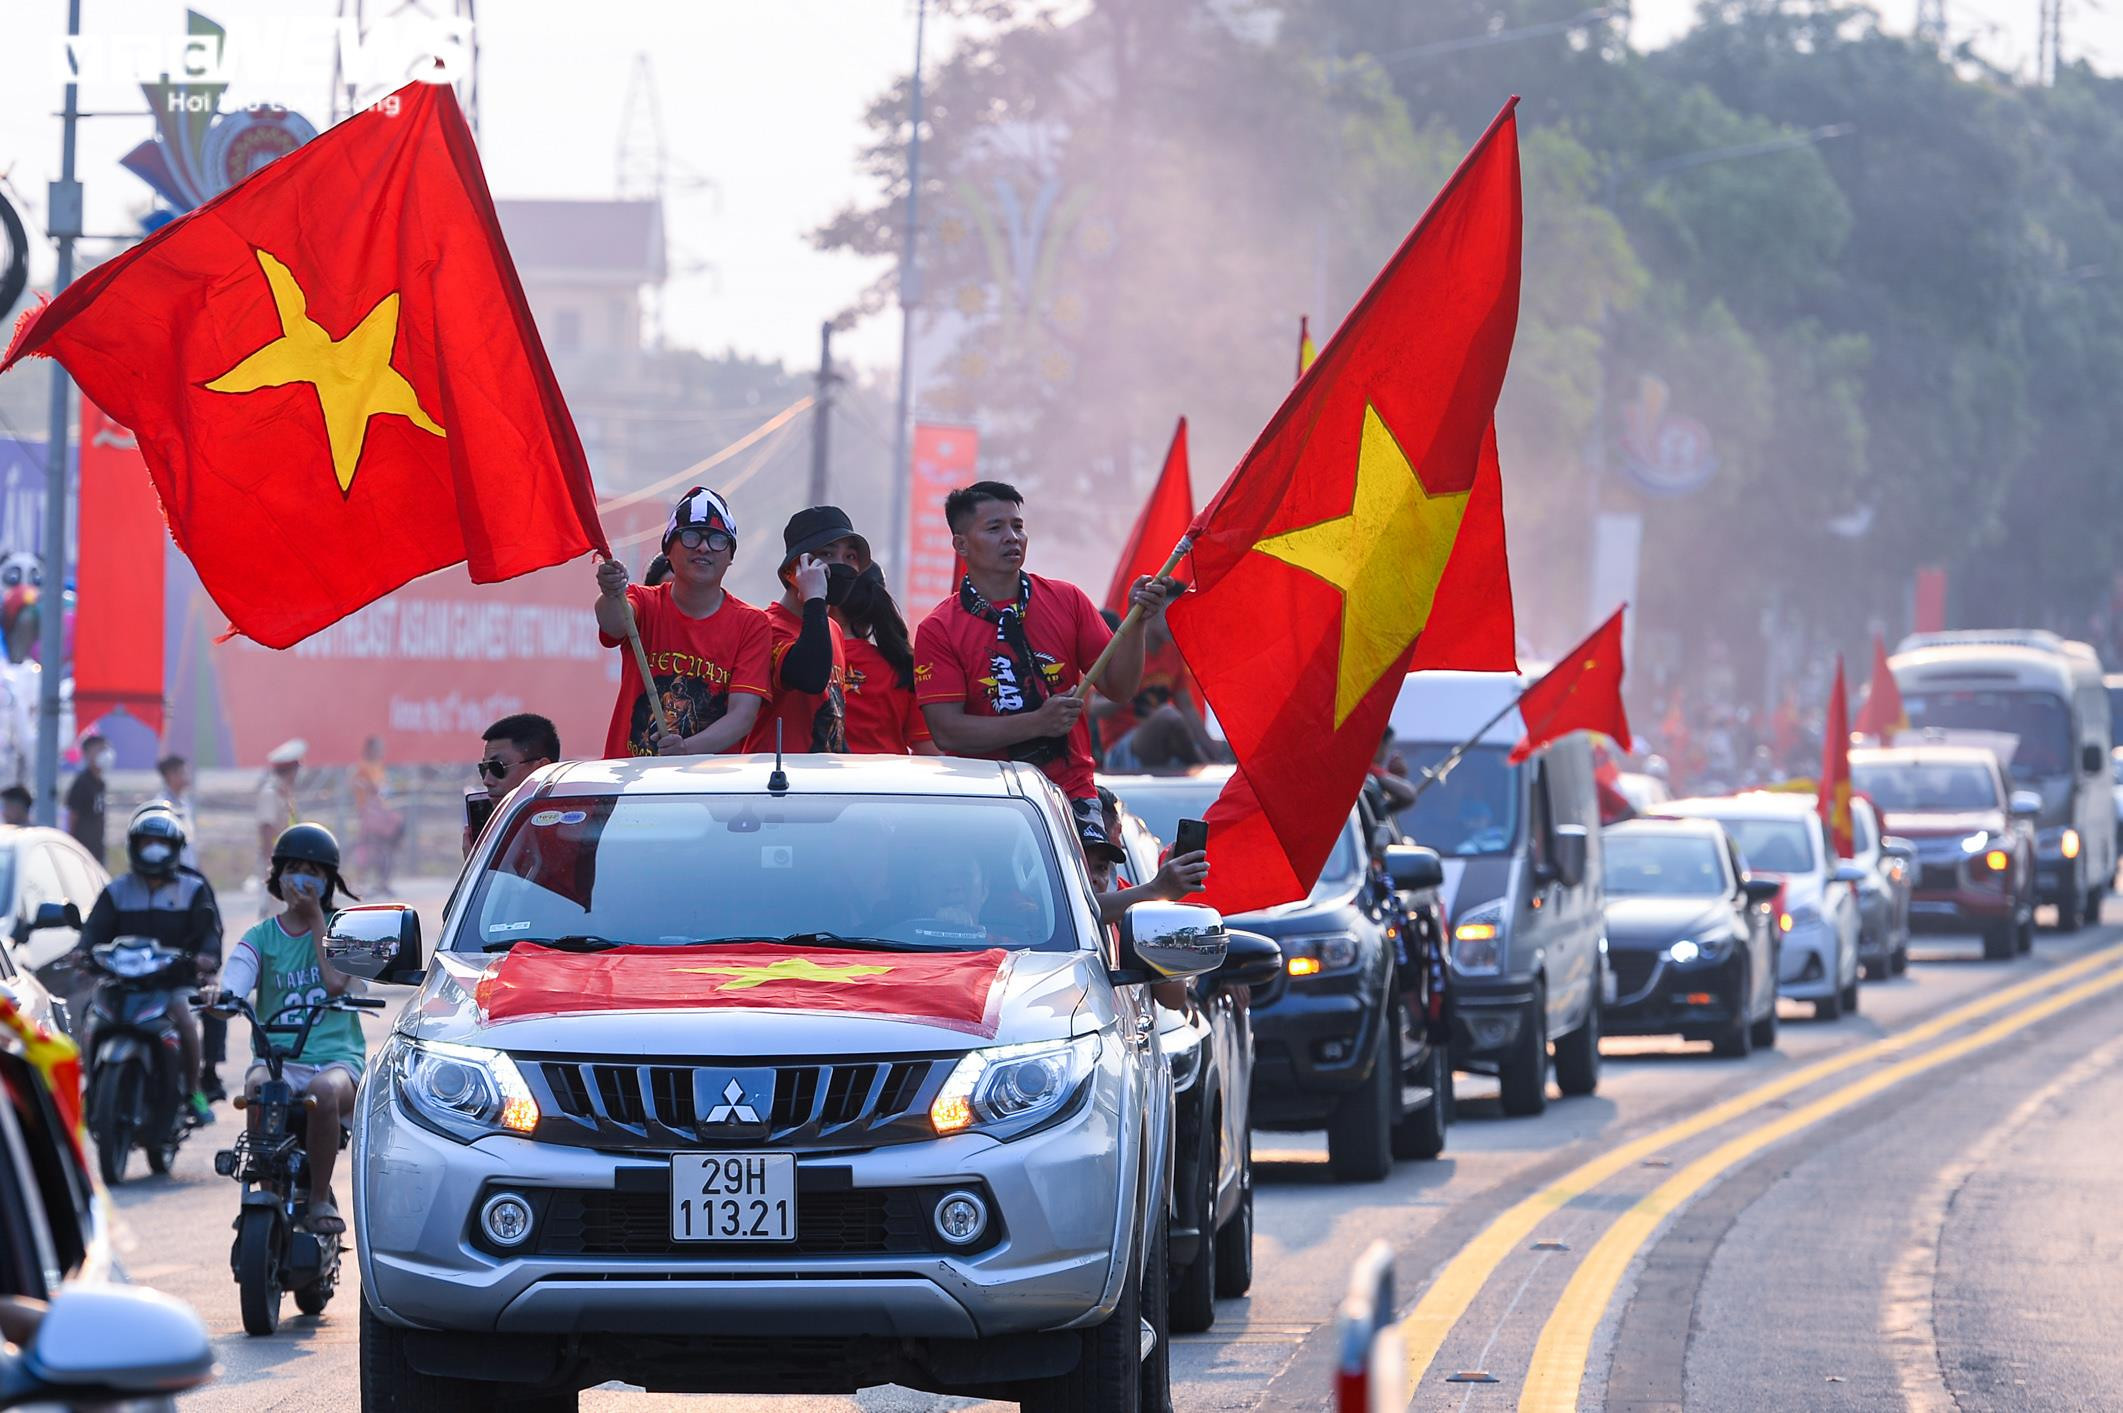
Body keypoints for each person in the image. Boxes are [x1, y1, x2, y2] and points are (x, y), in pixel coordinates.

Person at [914, 481, 1173, 844]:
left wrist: (1138, 621)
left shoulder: (1068, 600)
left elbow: (1120, 688)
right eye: (995, 528)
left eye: (1018, 526)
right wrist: (1038, 722)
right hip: (983, 797)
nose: (1012, 537)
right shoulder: (938, 628)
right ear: (961, 544)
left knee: (1087, 897)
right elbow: (947, 732)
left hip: (1070, 793)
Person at [216, 823, 362, 1235]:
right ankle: (266, 1192)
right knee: (259, 1086)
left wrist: (317, 918)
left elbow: (336, 982)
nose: (303, 878)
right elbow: (234, 987)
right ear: (278, 876)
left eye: (314, 871)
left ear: (328, 880)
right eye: (294, 868)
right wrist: (219, 996)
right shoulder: (260, 937)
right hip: (277, 1061)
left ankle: (318, 1198)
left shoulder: (342, 929)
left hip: (335, 1061)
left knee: (323, 1092)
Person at [595, 486, 772, 758]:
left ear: (730, 556)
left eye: (717, 540)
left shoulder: (752, 624)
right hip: (629, 782)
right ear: (667, 549)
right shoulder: (642, 600)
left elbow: (742, 716)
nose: (703, 547)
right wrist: (609, 593)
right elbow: (614, 623)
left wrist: (686, 749)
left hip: (707, 791)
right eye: (691, 536)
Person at [76, 804, 223, 1119]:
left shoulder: (193, 889)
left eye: (161, 844)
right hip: (123, 983)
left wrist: (205, 958)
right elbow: (94, 930)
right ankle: (91, 1088)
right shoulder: (117, 890)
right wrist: (82, 951)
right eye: (146, 843)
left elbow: (209, 934)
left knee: (185, 1017)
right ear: (134, 846)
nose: (153, 850)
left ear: (175, 849)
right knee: (91, 1015)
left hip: (174, 983)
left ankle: (194, 1092)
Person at [744, 506, 852, 754]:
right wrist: (814, 598)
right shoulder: (766, 627)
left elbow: (833, 717)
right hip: (775, 782)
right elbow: (809, 676)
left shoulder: (833, 630)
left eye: (850, 557)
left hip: (821, 784)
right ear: (794, 569)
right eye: (827, 554)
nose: (841, 565)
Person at [836, 544, 938, 756]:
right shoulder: (903, 664)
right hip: (889, 785)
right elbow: (928, 751)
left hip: (814, 785)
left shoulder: (802, 661)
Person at [467, 713, 561, 855]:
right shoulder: (502, 834)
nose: (487, 780)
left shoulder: (570, 833)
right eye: (484, 769)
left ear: (542, 768)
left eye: (497, 767)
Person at [255, 739, 305, 915]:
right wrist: (272, 866)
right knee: (277, 912)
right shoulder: (270, 794)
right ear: (291, 771)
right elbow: (266, 829)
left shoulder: (285, 794)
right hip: (277, 861)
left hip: (289, 861)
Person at [351, 735, 404, 892]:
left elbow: (384, 789)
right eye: (378, 748)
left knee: (383, 848)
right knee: (369, 848)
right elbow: (364, 788)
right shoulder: (362, 768)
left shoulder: (378, 766)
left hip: (381, 814)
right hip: (370, 815)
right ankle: (362, 882)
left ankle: (382, 882)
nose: (381, 751)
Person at [63, 733, 111, 866]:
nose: (105, 754)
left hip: (97, 850)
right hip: (82, 850)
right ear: (87, 754)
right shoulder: (82, 783)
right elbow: (72, 816)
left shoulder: (100, 783)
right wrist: (71, 846)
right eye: (99, 749)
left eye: (105, 749)